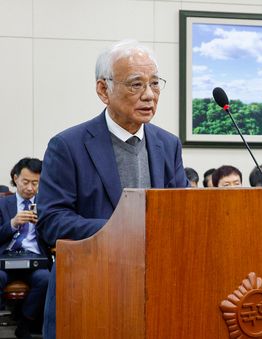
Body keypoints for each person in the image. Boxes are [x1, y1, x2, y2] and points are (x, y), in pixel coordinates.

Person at [36, 40, 188, 339]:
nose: (149, 95)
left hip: (156, 290)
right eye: (136, 84)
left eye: (155, 84)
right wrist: (122, 229)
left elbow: (179, 213)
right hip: (89, 289)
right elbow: (52, 221)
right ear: (103, 90)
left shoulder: (167, 144)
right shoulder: (68, 145)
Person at [0, 158, 49, 339]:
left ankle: (25, 323)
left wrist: (43, 225)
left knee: (45, 279)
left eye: (35, 183)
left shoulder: (46, 206)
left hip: (34, 260)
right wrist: (12, 224)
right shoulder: (3, 204)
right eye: (26, 182)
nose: (30, 188)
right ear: (15, 178)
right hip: (5, 260)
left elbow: (53, 238)